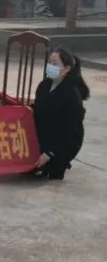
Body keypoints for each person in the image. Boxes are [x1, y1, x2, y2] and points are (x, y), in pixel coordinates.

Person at [30, 47, 88, 180]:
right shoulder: (44, 85)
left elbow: (68, 131)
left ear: (66, 69)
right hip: (46, 136)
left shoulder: (72, 95)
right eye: (49, 63)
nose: (50, 66)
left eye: (54, 64)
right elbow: (39, 109)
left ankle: (59, 161)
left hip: (64, 142)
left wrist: (48, 153)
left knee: (52, 169)